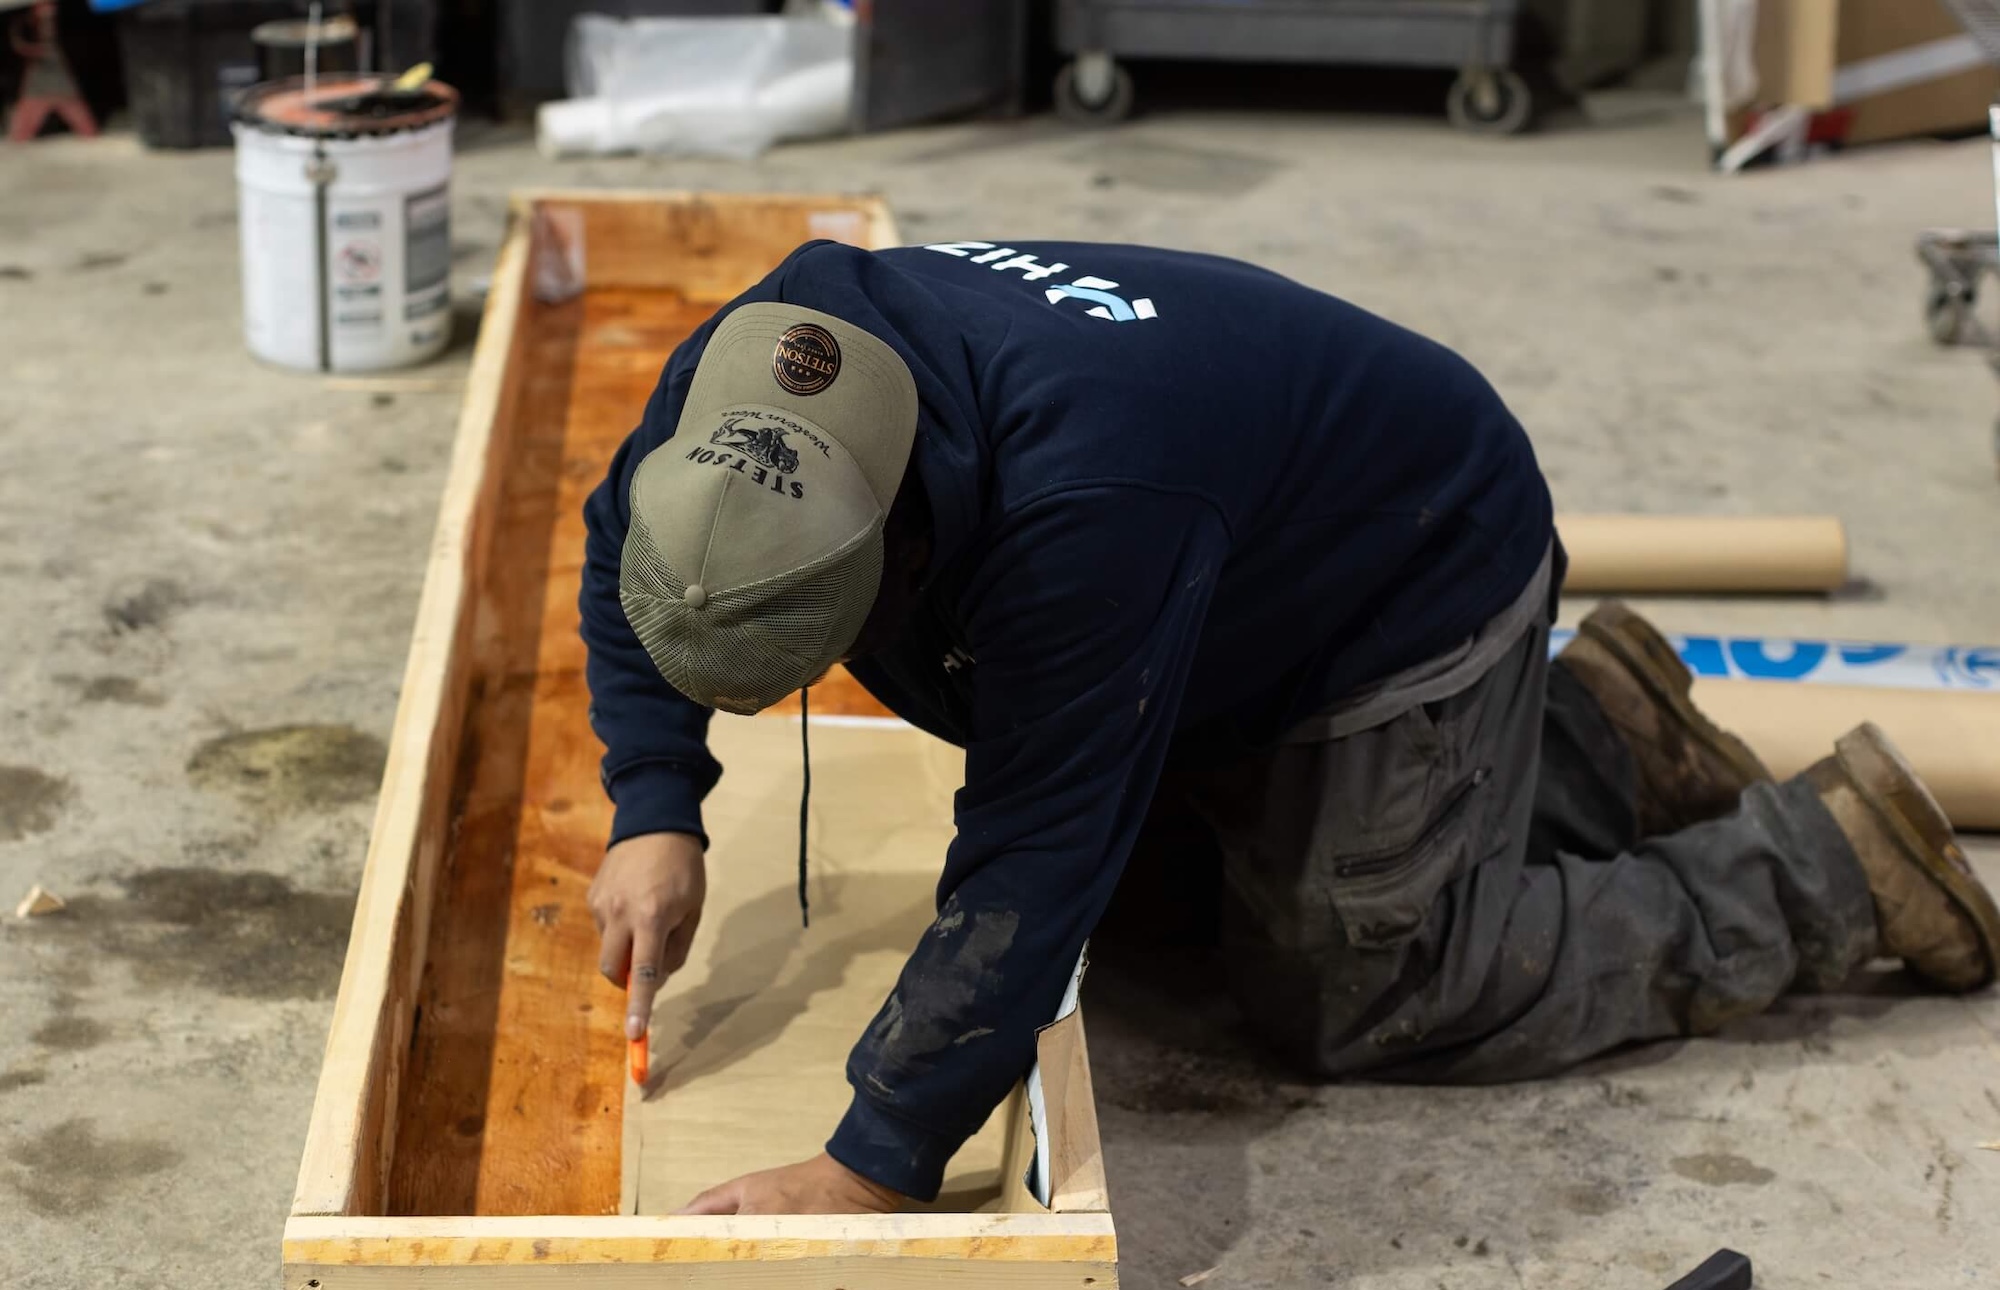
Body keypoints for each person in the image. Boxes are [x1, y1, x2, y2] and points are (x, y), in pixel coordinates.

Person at [579, 238, 2000, 1215]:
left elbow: (1034, 844)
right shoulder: (756, 373)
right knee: (1151, 923)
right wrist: (655, 805)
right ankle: (1595, 742)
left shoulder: (1086, 511)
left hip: (1413, 565)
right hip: (1250, 550)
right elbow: (625, 550)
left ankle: (1822, 865)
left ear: (896, 539)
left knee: (1361, 991)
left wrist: (873, 1161)